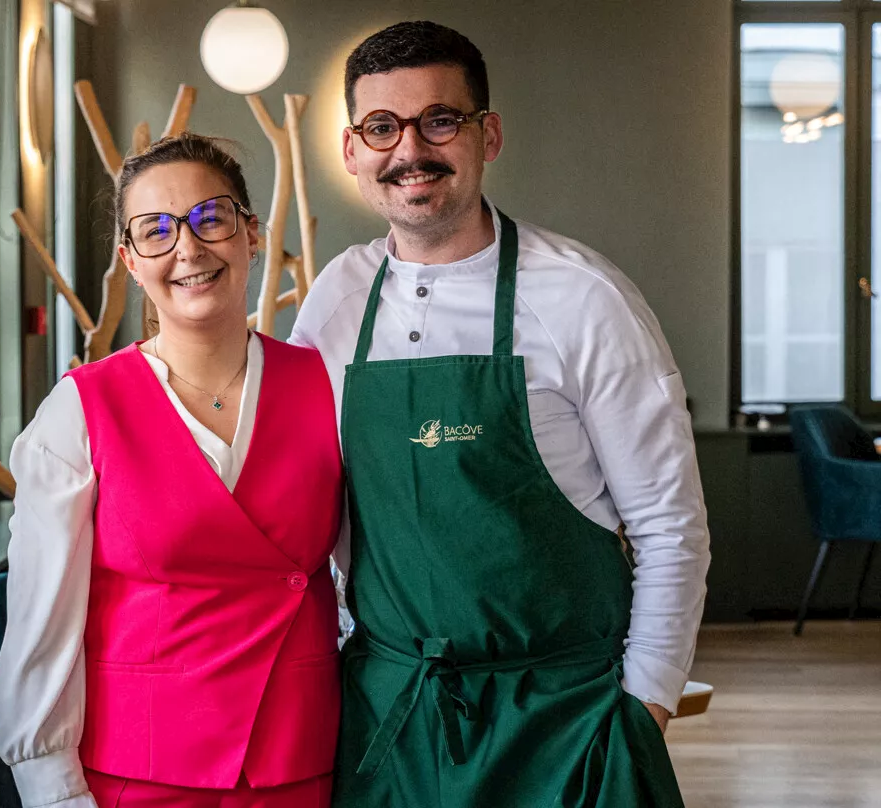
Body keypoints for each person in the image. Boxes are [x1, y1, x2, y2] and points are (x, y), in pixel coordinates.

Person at [289, 21, 711, 807]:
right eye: (382, 127)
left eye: (439, 121)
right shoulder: (335, 304)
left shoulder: (584, 298)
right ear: (353, 151)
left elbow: (670, 525)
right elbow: (321, 514)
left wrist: (642, 710)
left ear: (489, 135)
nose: (409, 149)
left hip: (565, 722)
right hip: (392, 719)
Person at [0, 133, 344, 808]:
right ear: (130, 259)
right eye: (155, 231)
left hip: (300, 763)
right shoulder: (80, 411)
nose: (187, 248)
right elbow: (43, 627)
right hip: (138, 774)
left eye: (211, 218)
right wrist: (55, 794)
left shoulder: (327, 385)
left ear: (251, 233)